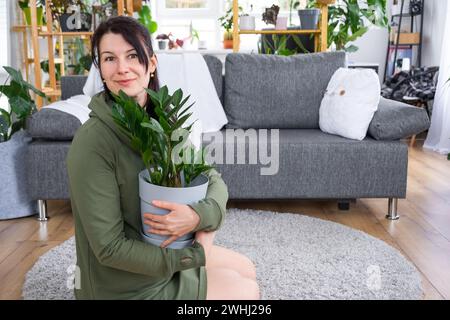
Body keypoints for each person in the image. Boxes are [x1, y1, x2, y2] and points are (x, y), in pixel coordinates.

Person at [66, 16, 259, 300]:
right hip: (123, 284)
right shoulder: (92, 143)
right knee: (247, 291)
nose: (122, 68)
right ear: (101, 71)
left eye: (132, 55)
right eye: (109, 58)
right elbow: (109, 248)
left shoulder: (164, 119)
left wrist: (197, 217)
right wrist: (194, 255)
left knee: (247, 269)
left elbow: (214, 180)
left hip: (164, 253)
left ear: (152, 63)